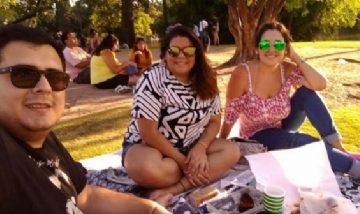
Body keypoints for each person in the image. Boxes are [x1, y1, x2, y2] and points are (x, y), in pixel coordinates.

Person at [0, 24, 172, 214]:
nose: (45, 87)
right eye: (24, 75)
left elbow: (85, 196)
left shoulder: (44, 140)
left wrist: (151, 210)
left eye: (55, 77)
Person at [219, 21, 360, 180]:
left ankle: (337, 147)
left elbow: (320, 83)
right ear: (256, 48)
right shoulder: (243, 74)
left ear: (285, 49)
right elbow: (230, 115)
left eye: (278, 45)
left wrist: (295, 56)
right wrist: (221, 144)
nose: (272, 50)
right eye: (265, 44)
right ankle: (354, 168)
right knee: (301, 140)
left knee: (306, 93)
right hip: (256, 136)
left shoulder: (286, 69)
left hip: (281, 125)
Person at [121, 26, 241, 200]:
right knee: (145, 167)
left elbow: (215, 120)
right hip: (150, 147)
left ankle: (176, 188)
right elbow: (149, 133)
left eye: (189, 51)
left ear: (197, 54)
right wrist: (186, 164)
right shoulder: (152, 79)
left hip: (192, 145)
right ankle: (191, 174)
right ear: (165, 55)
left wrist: (201, 147)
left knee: (232, 152)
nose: (181, 56)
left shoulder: (207, 78)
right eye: (174, 51)